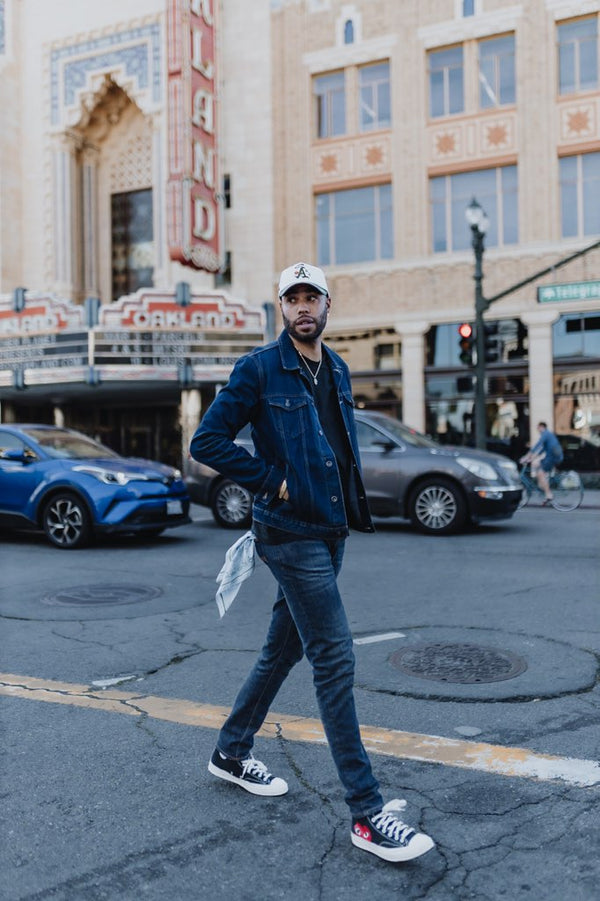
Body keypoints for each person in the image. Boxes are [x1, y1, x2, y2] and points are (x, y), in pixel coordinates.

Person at [190, 261, 435, 863]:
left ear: (328, 306)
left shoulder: (339, 369)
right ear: (281, 309)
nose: (303, 307)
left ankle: (230, 749)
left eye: (313, 297)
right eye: (292, 298)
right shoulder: (258, 367)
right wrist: (270, 482)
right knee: (334, 656)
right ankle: (366, 812)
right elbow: (207, 441)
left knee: (283, 649)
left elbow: (336, 447)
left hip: (329, 533)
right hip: (288, 533)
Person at [520, 421, 564, 504]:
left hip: (552, 457)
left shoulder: (545, 434)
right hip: (552, 456)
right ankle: (542, 485)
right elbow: (542, 450)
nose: (537, 430)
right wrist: (531, 458)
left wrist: (526, 457)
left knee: (540, 473)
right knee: (537, 464)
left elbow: (537, 446)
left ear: (541, 427)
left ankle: (548, 494)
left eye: (538, 428)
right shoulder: (548, 435)